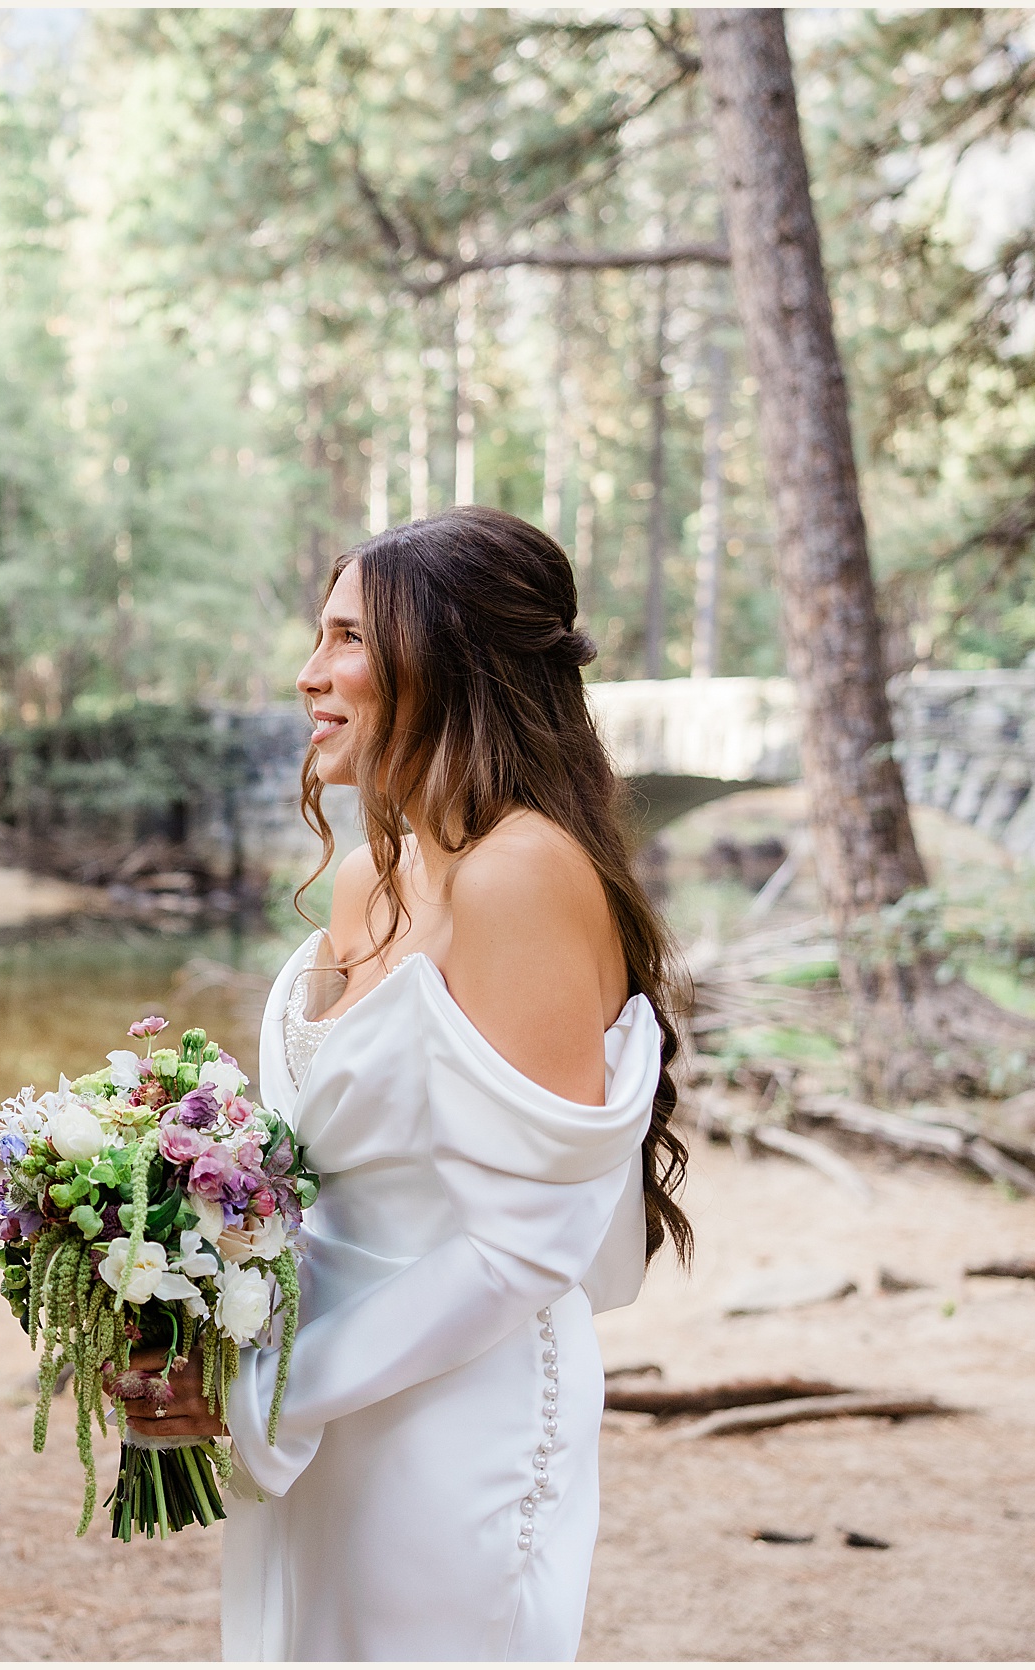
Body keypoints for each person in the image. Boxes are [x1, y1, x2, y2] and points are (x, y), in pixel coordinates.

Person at [120, 506, 693, 1661]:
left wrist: (264, 1393)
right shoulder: (363, 881)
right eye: (316, 635)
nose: (308, 672)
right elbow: (316, 1181)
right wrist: (188, 1307)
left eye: (347, 640)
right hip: (321, 1398)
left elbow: (522, 1246)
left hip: (454, 1413)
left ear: (449, 661)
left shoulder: (522, 875)